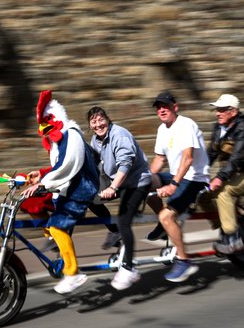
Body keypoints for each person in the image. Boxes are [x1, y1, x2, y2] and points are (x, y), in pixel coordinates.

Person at [21, 90, 100, 294]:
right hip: (66, 186)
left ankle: (73, 273)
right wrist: (40, 175)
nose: (44, 129)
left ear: (56, 118)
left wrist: (41, 185)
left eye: (47, 122)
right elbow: (59, 166)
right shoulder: (59, 141)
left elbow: (67, 165)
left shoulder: (71, 134)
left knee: (57, 226)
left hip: (81, 188)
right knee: (29, 203)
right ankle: (54, 237)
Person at [87, 106, 152, 290]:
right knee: (91, 199)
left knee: (124, 221)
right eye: (94, 122)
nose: (98, 124)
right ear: (90, 126)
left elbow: (125, 164)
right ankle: (115, 232)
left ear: (107, 119)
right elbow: (93, 165)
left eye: (101, 120)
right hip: (119, 183)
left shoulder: (119, 135)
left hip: (136, 182)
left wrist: (113, 187)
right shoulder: (95, 140)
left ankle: (128, 268)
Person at [148, 91, 210, 282]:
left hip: (194, 179)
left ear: (175, 107)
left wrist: (174, 184)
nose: (161, 110)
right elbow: (159, 159)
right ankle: (164, 223)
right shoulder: (162, 129)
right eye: (158, 107)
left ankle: (184, 261)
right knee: (147, 186)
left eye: (165, 106)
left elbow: (188, 158)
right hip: (178, 176)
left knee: (167, 215)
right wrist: (144, 179)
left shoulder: (186, 125)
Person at [199, 94, 244, 254]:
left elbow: (237, 157)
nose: (217, 113)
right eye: (217, 109)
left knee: (223, 192)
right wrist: (197, 173)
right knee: (202, 195)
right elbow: (211, 155)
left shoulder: (243, 128)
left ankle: (232, 237)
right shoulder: (219, 128)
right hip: (231, 174)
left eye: (221, 110)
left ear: (233, 111)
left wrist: (220, 178)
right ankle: (223, 224)